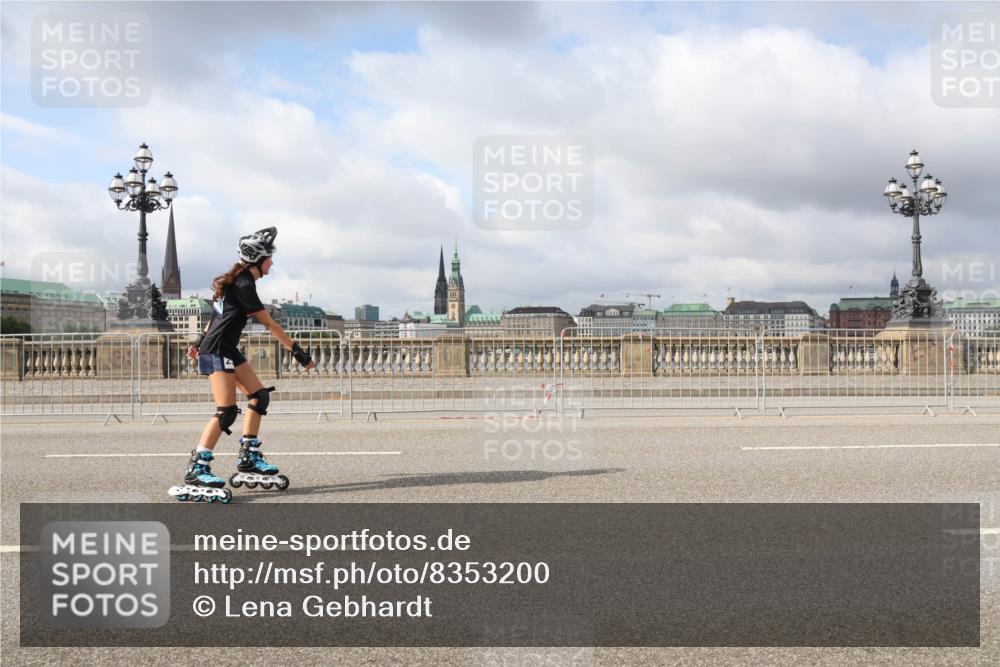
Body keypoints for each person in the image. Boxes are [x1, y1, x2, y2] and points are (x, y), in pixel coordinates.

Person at [169, 227, 315, 502]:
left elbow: (215, 316)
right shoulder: (245, 284)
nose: (272, 262)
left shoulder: (239, 281)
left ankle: (249, 456)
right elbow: (270, 324)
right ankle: (197, 468)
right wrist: (298, 352)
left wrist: (199, 338)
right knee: (226, 411)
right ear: (257, 258)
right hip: (216, 350)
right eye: (269, 258)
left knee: (260, 397)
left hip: (225, 347)